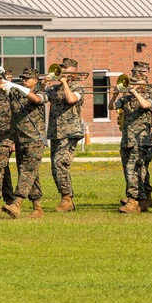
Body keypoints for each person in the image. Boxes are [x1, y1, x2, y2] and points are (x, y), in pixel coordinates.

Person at [0, 68, 49, 219]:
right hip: (20, 140)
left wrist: (16, 86)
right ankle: (38, 207)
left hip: (35, 140)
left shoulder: (41, 93)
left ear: (36, 81)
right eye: (22, 78)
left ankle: (17, 204)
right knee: (29, 174)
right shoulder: (16, 95)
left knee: (27, 171)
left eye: (27, 79)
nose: (24, 80)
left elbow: (36, 100)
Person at [45, 57, 85, 213]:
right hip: (55, 132)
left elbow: (71, 99)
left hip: (70, 132)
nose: (62, 70)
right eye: (61, 68)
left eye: (65, 68)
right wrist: (43, 86)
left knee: (60, 163)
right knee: (54, 167)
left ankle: (67, 198)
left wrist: (64, 83)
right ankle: (65, 198)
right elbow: (39, 99)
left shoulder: (77, 87)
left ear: (73, 70)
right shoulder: (54, 89)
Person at [116, 70, 152, 214]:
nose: (132, 84)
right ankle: (142, 201)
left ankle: (133, 200)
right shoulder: (126, 98)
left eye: (135, 82)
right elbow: (111, 106)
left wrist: (135, 92)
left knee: (133, 170)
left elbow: (146, 105)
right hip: (127, 139)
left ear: (143, 84)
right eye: (131, 81)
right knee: (131, 170)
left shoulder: (150, 95)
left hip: (140, 140)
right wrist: (116, 93)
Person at [131, 61, 152, 211]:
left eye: (142, 72)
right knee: (134, 166)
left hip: (147, 134)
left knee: (142, 167)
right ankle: (135, 194)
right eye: (135, 72)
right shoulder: (134, 88)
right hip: (132, 134)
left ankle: (145, 196)